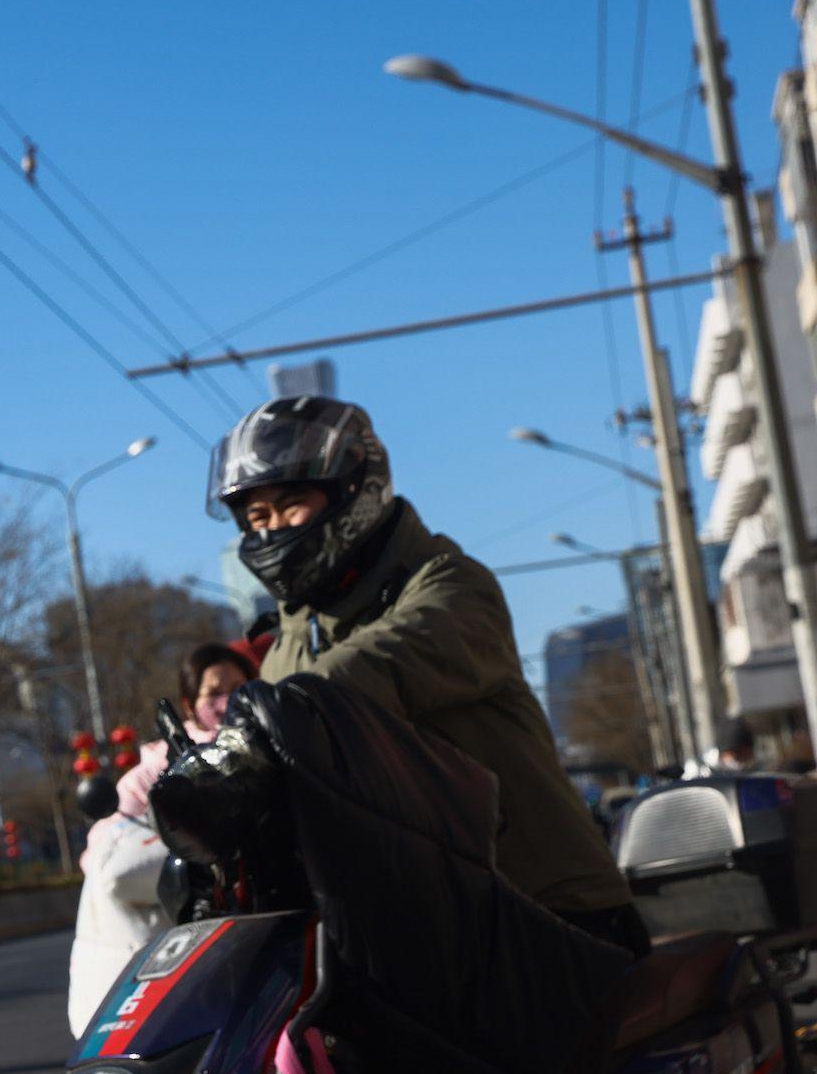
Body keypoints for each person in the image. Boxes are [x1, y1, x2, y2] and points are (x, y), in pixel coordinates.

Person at [207, 395, 640, 951]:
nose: (271, 532)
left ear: (353, 490)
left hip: (544, 911)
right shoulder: (288, 642)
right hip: (415, 930)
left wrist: (273, 715)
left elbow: (385, 662)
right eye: (256, 518)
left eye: (291, 505)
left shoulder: (451, 585)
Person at [67, 642, 257, 1033]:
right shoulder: (156, 770)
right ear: (189, 705)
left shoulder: (268, 749)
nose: (228, 701)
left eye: (239, 687)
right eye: (214, 693)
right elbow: (108, 857)